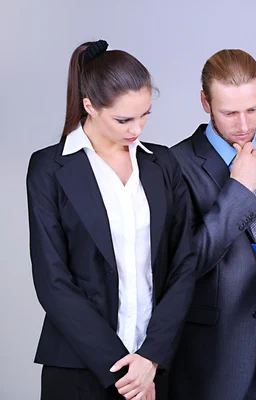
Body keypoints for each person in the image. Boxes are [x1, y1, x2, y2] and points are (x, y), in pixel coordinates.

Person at [26, 40, 197, 400]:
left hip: (155, 366)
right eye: (124, 119)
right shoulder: (49, 169)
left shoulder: (163, 164)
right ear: (89, 106)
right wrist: (124, 368)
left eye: (145, 114)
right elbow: (52, 281)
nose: (137, 129)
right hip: (79, 367)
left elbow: (184, 264)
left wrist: (150, 357)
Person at [169, 49, 256, 400]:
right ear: (205, 103)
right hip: (208, 362)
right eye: (230, 112)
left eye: (252, 109)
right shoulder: (172, 165)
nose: (243, 125)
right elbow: (183, 264)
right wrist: (239, 191)